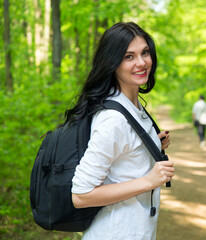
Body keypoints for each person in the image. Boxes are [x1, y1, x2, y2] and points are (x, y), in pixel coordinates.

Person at [65, 22, 175, 240]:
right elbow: (80, 195)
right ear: (112, 63)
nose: (142, 62)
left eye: (145, 52)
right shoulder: (113, 119)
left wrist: (150, 144)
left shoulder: (131, 106)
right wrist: (149, 180)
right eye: (129, 57)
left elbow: (122, 155)